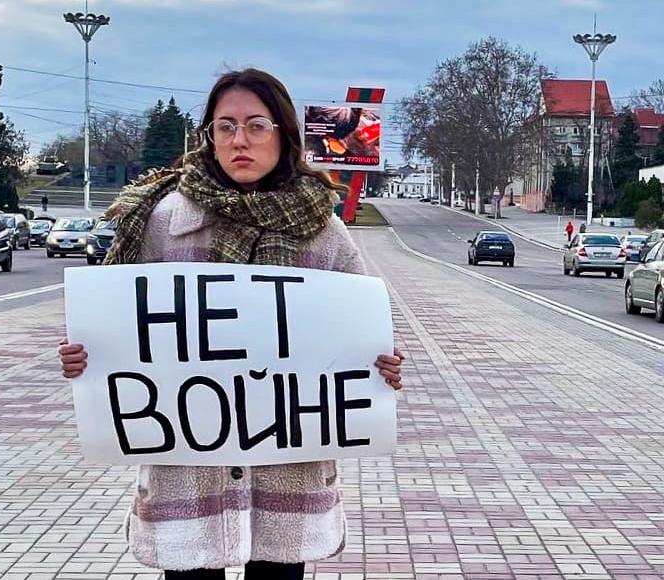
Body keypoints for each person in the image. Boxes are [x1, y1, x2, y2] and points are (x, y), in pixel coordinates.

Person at [58, 69, 404, 580]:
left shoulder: (323, 231)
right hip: (189, 472)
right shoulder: (161, 223)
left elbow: (361, 334)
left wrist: (381, 367)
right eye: (225, 126)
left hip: (289, 468)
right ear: (210, 136)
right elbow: (120, 323)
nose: (239, 139)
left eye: (256, 125)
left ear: (285, 135)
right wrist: (90, 356)